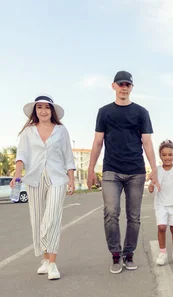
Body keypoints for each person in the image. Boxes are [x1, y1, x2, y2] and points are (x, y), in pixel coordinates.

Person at [87, 71, 159, 274]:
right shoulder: (104, 112)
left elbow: (147, 142)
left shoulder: (141, 112)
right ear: (114, 86)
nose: (124, 87)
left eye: (127, 84)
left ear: (132, 87)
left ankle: (129, 254)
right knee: (111, 212)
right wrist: (91, 169)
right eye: (121, 84)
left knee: (134, 216)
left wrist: (154, 168)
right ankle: (115, 255)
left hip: (136, 171)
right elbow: (98, 142)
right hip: (111, 171)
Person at [12, 94, 76, 280]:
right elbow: (21, 155)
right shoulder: (28, 132)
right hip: (34, 178)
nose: (43, 111)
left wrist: (71, 179)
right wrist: (17, 176)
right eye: (39, 107)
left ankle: (53, 263)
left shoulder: (61, 131)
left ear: (52, 111)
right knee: (38, 217)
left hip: (57, 178)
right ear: (35, 111)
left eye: (47, 107)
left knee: (53, 216)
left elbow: (68, 157)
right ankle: (45, 260)